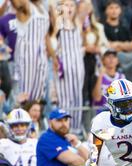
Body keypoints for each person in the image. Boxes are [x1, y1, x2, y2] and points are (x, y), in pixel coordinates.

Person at [54, 0, 85, 135]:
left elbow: (87, 6)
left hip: (78, 62)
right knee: (65, 97)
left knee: (77, 95)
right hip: (64, 62)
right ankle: (64, 128)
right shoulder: (58, 22)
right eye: (66, 5)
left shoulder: (77, 22)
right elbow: (51, 39)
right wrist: (60, 13)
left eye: (71, 5)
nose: (69, 8)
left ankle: (76, 129)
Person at [11, 0, 51, 101]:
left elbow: (46, 36)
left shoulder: (43, 9)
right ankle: (21, 115)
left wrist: (53, 57)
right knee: (25, 93)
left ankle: (35, 116)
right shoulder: (26, 5)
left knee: (39, 94)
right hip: (27, 53)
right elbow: (17, 4)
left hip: (41, 53)